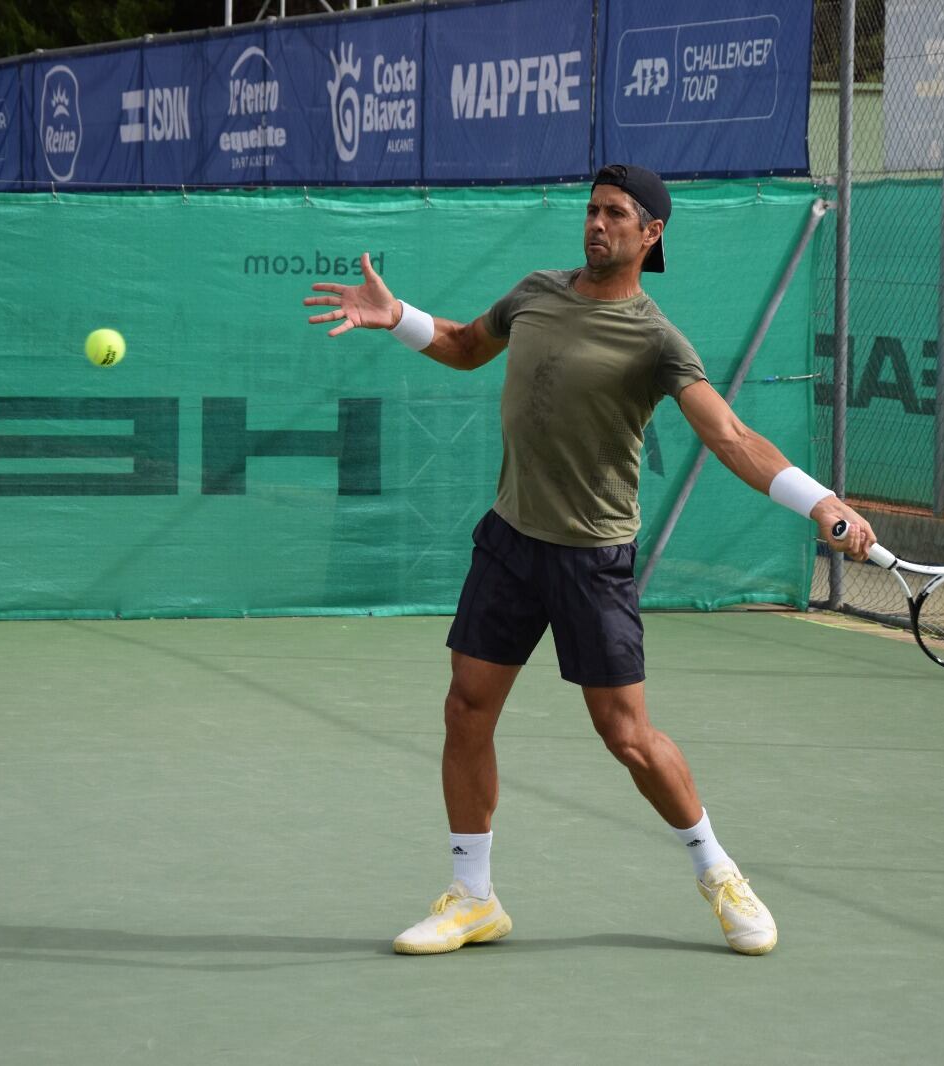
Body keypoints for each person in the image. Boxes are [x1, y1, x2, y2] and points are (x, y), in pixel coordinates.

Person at [304, 163, 875, 956]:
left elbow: (731, 437)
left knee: (627, 734)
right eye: (591, 210)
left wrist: (818, 501)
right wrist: (397, 315)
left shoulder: (657, 340)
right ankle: (473, 898)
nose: (596, 223)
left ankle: (717, 872)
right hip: (510, 539)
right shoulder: (536, 291)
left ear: (651, 235)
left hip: (591, 559)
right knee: (466, 707)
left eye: (614, 214)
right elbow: (469, 346)